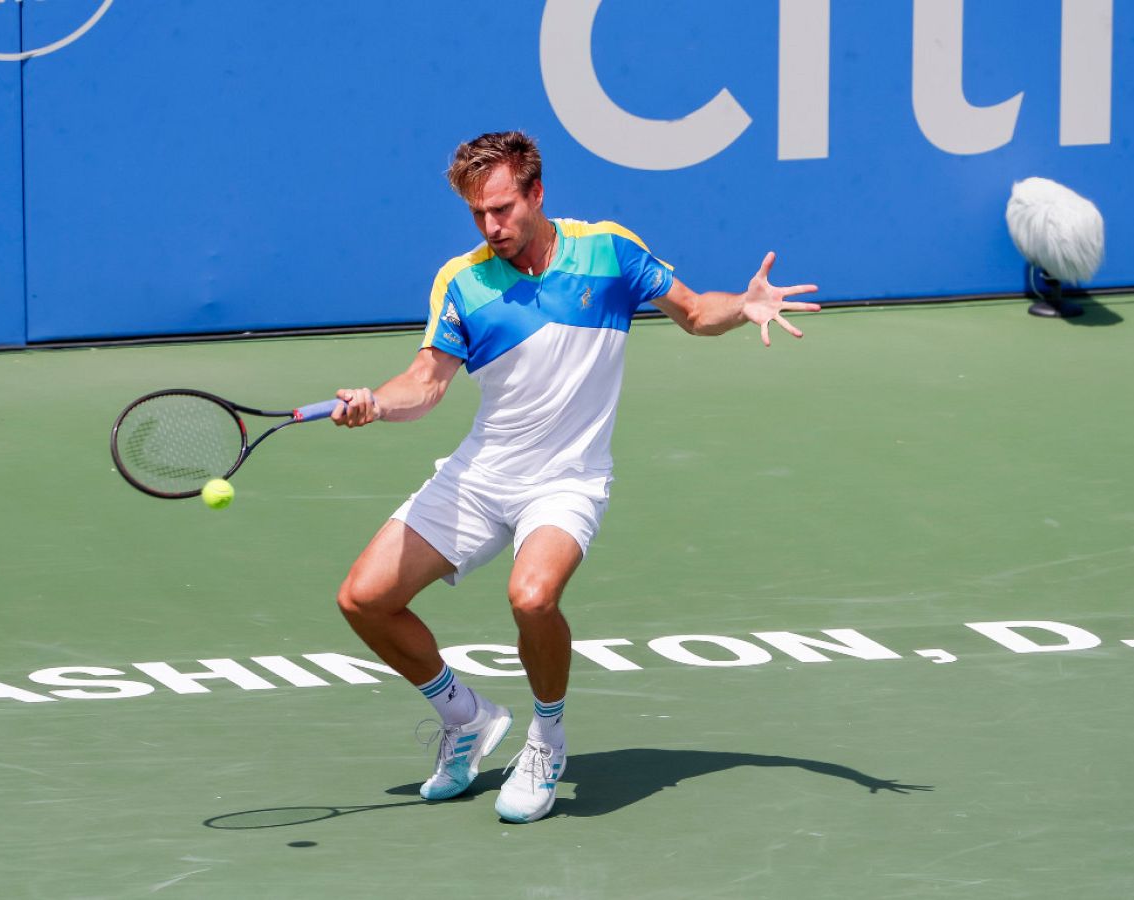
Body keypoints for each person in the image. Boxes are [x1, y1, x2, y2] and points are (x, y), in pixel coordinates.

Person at [329, 131, 819, 823]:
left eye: (503, 208)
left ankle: (547, 737)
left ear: (537, 193)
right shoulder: (462, 280)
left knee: (532, 599)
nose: (492, 226)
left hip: (568, 478)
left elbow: (693, 311)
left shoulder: (607, 250)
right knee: (363, 599)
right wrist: (377, 404)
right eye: (478, 215)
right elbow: (426, 381)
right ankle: (464, 717)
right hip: (482, 473)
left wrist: (744, 305)